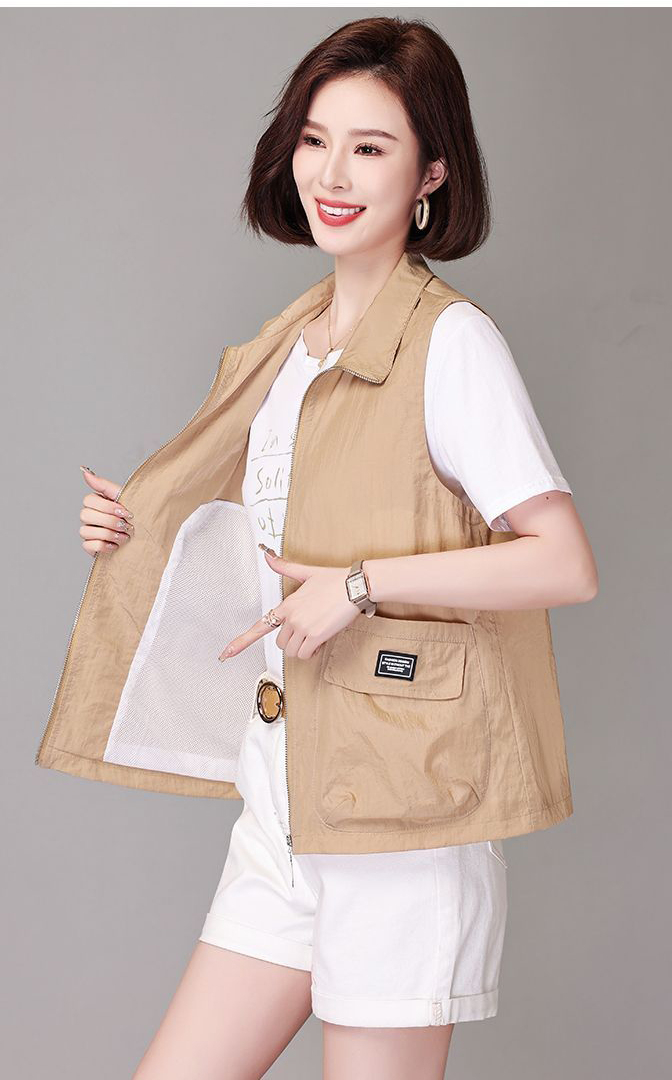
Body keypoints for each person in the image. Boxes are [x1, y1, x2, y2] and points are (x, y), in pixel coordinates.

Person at [72, 17, 598, 1080]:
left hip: (404, 824)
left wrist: (361, 586)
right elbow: (269, 552)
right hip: (287, 800)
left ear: (432, 173)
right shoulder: (291, 347)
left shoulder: (452, 344)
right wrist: (136, 528)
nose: (332, 174)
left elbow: (562, 562)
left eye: (370, 146)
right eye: (315, 141)